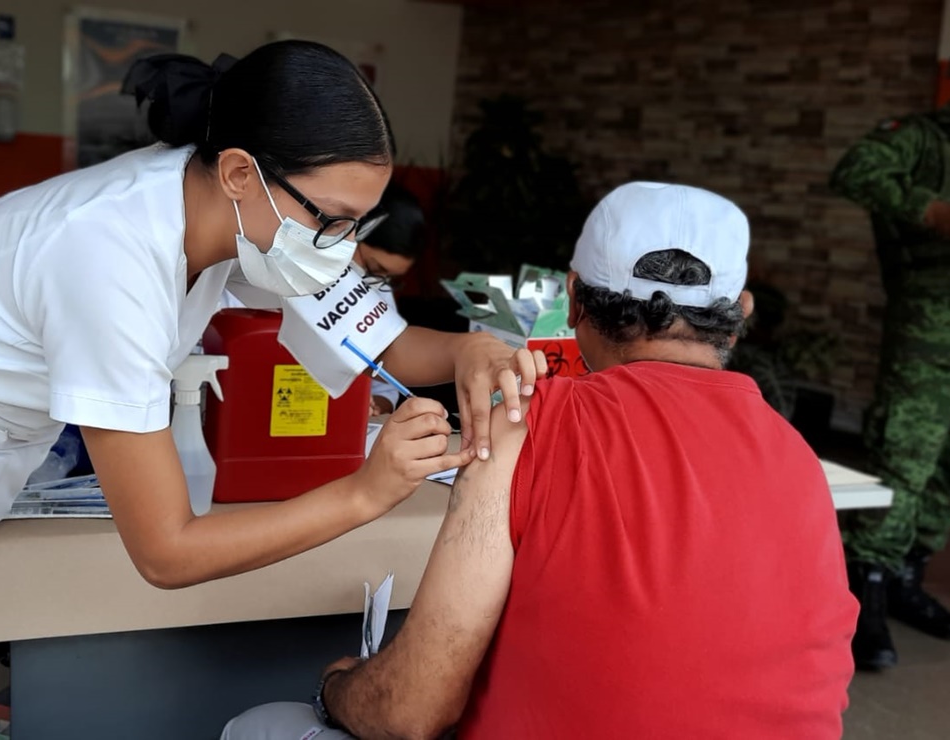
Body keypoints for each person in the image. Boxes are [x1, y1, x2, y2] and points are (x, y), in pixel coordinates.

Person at [0, 41, 545, 739]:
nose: (340, 250)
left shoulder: (244, 220)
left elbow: (384, 339)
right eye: (332, 221)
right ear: (241, 172)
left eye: (357, 228)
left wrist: (473, 348)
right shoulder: (109, 253)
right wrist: (363, 495)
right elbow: (166, 551)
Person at [223, 182, 858, 739]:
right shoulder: (800, 458)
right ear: (740, 313)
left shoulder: (532, 421)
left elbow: (409, 713)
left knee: (259, 727)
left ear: (575, 301)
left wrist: (339, 686)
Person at [829, 107, 950, 670]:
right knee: (906, 449)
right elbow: (855, 170)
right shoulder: (924, 138)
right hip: (931, 322)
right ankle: (866, 586)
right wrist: (931, 210)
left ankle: (907, 576)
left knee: (947, 462)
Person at [352, 181, 426, 416]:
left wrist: (376, 403)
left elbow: (386, 379)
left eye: (389, 277)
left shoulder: (378, 287)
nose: (378, 281)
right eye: (374, 267)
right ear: (350, 231)